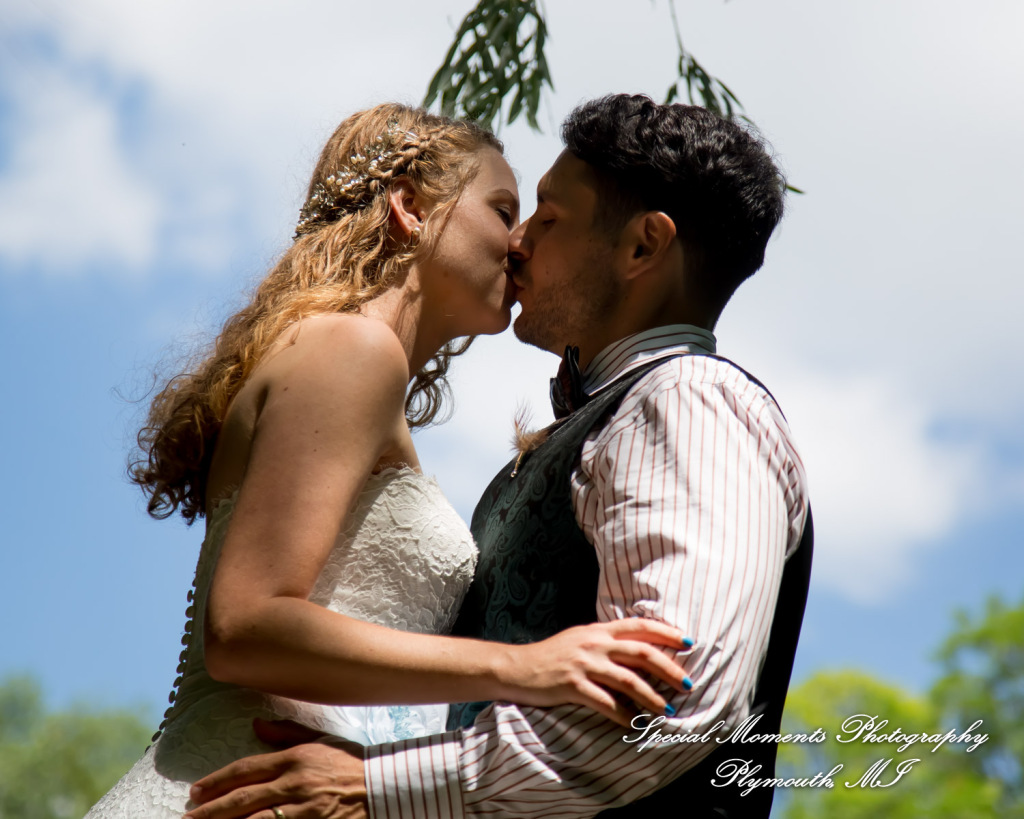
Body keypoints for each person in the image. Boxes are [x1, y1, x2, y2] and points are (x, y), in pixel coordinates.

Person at [184, 94, 813, 819]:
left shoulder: (690, 400)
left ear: (643, 247)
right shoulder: (586, 431)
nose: (520, 241)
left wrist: (379, 787)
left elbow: (676, 695)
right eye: (512, 213)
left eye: (547, 217)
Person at [82, 102, 695, 819]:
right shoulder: (351, 348)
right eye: (503, 210)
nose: (522, 241)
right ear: (408, 207)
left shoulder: (352, 362)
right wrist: (527, 667)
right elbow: (244, 626)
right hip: (235, 793)